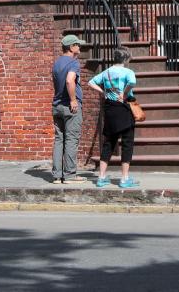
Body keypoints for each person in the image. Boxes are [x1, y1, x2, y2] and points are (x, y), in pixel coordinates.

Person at [88, 47, 140, 188]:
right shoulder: (128, 72)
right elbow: (132, 82)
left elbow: (91, 82)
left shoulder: (106, 72)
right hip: (123, 107)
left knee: (108, 143)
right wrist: (124, 93)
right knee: (127, 143)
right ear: (126, 59)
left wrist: (103, 91)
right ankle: (124, 179)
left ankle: (101, 177)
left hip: (110, 109)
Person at [50, 34, 88, 183]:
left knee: (59, 140)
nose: (79, 47)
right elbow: (69, 80)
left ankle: (57, 176)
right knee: (71, 140)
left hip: (57, 106)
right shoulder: (73, 63)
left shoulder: (57, 63)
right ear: (71, 47)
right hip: (69, 107)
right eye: (77, 45)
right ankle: (70, 175)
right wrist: (73, 100)